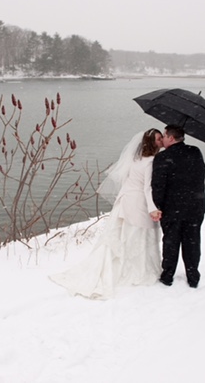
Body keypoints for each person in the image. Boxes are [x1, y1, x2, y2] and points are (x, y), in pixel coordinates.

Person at [50, 128, 164, 299]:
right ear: (151, 143)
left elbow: (128, 180)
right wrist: (152, 208)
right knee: (139, 234)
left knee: (126, 234)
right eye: (158, 139)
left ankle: (125, 262)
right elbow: (147, 188)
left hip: (126, 200)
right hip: (138, 201)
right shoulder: (150, 162)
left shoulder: (136, 159)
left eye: (162, 138)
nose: (161, 141)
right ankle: (136, 269)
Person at [151, 124, 205, 288]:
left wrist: (158, 206)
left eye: (164, 135)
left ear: (171, 138)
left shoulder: (162, 158)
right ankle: (193, 276)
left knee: (171, 242)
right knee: (193, 242)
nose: (162, 138)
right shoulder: (195, 151)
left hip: (172, 208)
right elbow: (201, 175)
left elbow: (158, 186)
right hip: (195, 206)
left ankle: (168, 275)